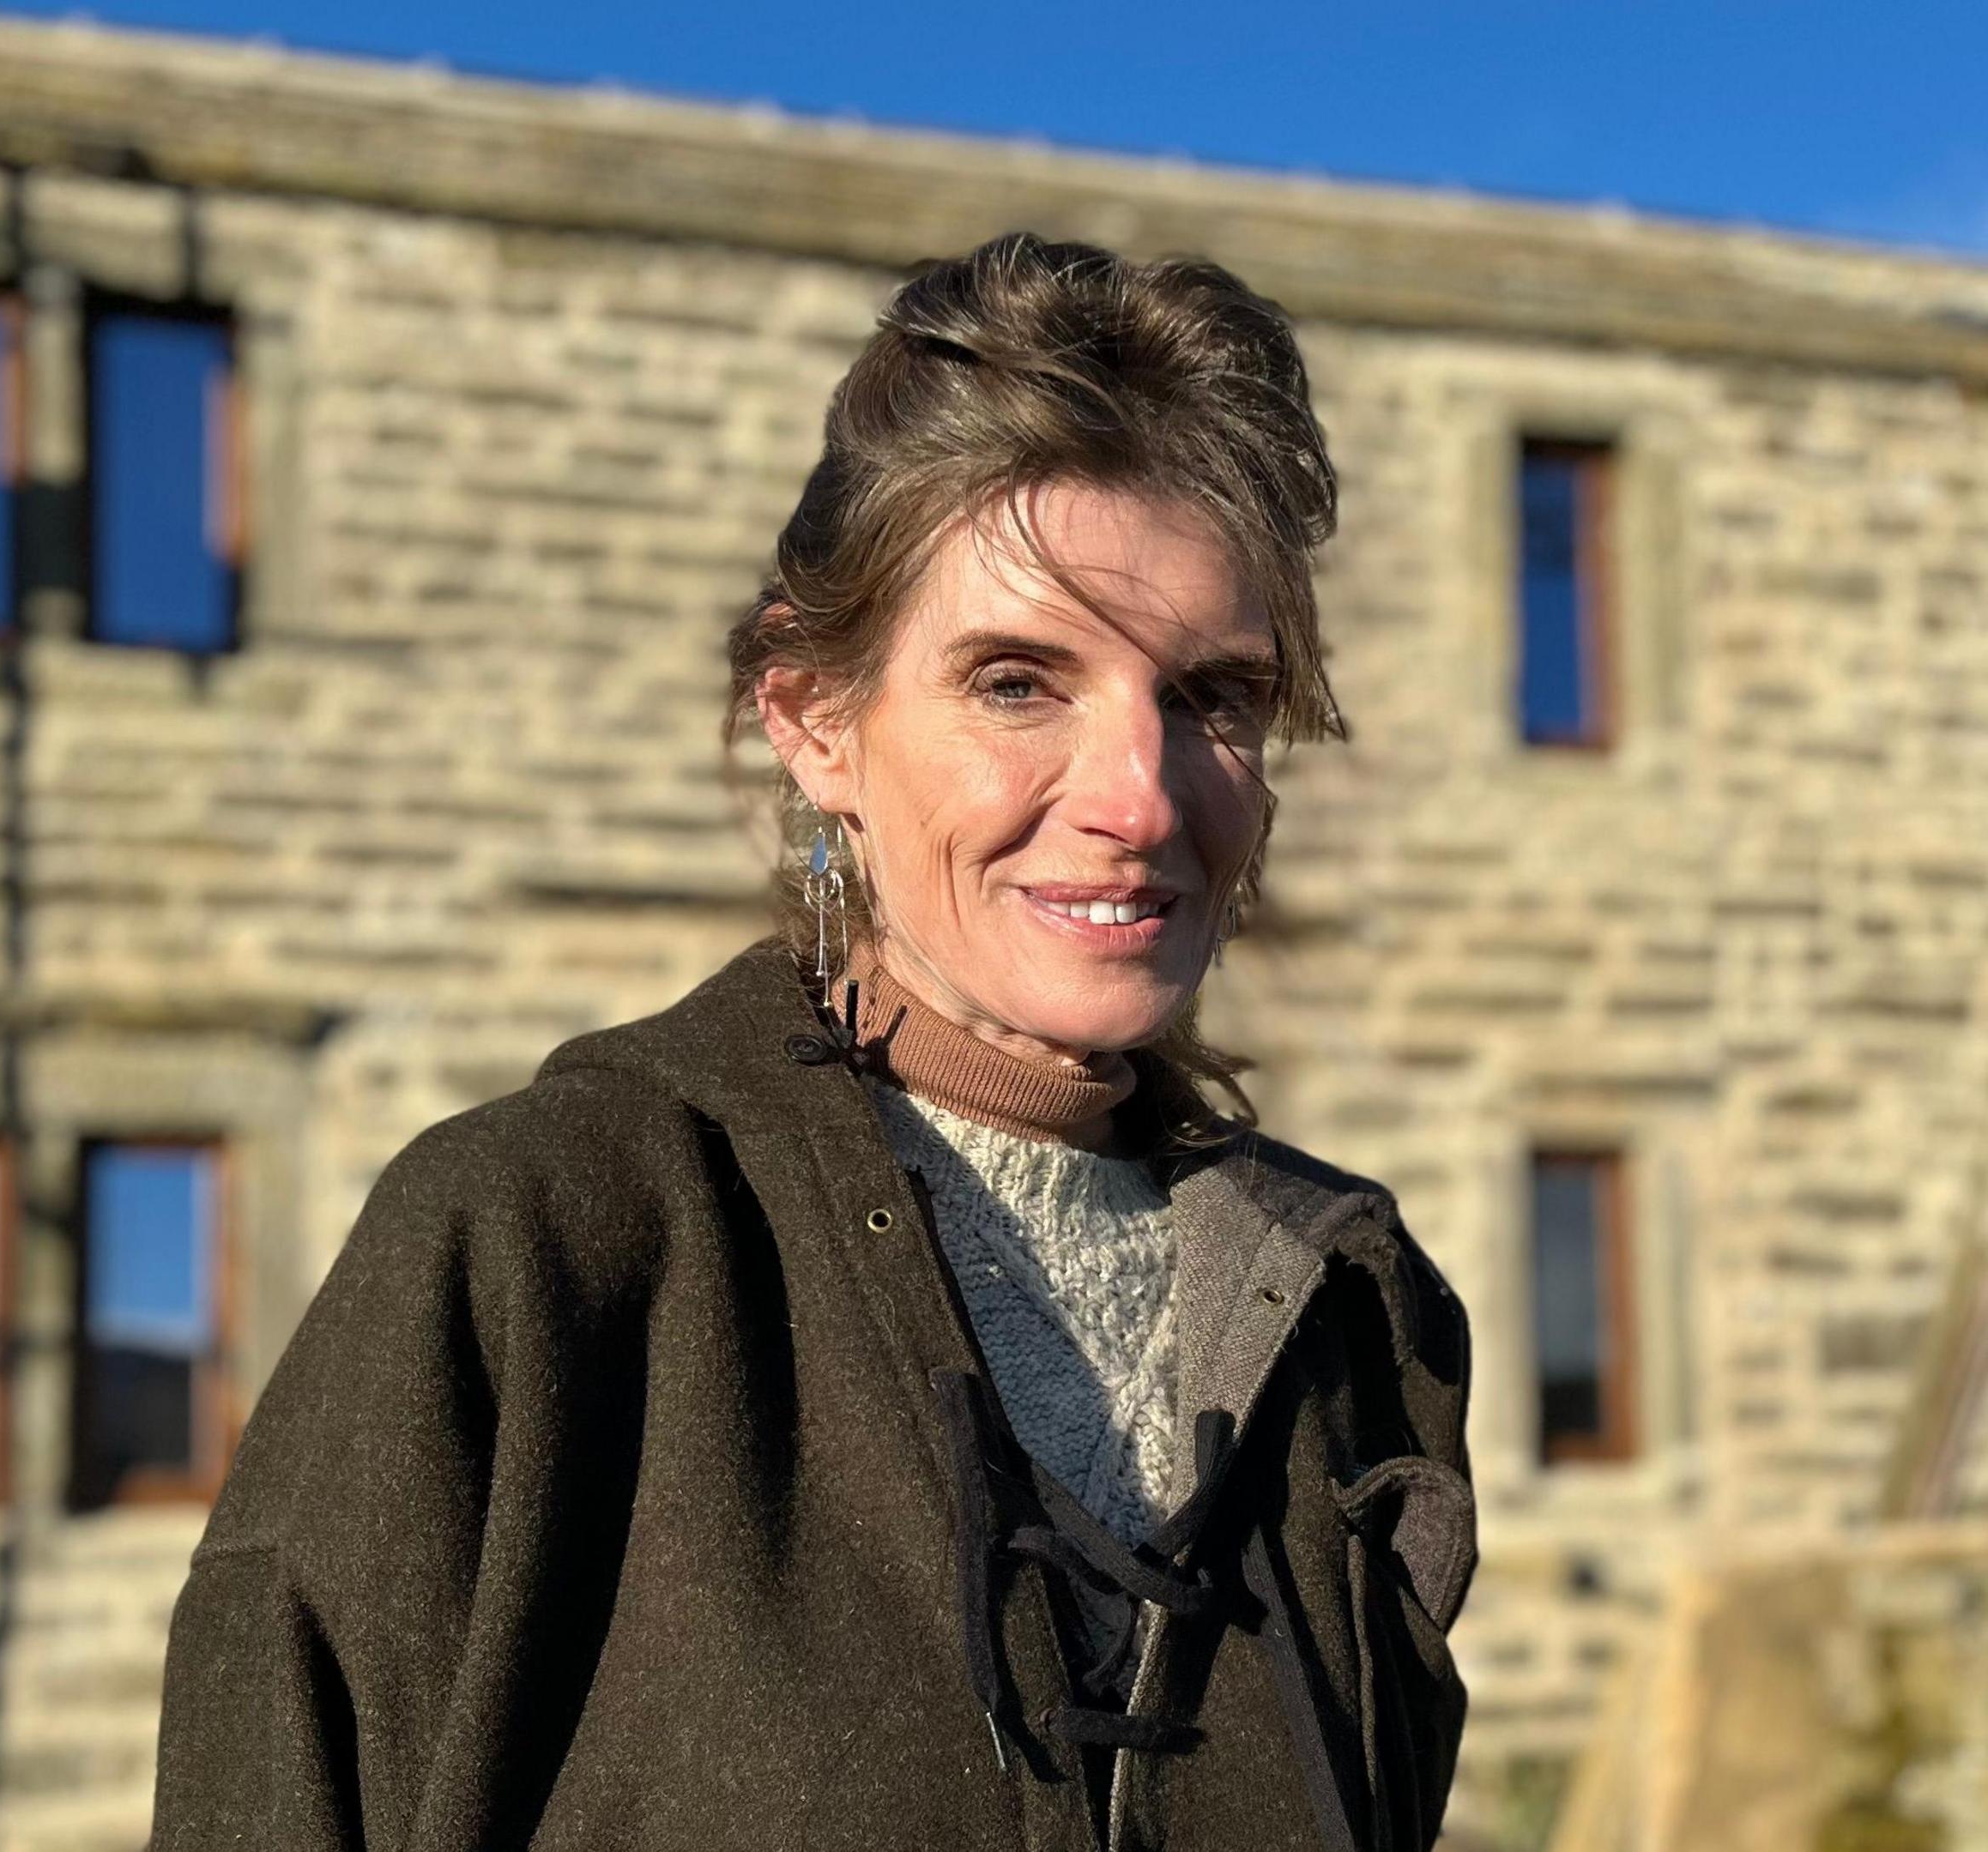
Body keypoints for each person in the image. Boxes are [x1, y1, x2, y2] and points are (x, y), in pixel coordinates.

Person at [149, 233, 1475, 1852]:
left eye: (1212, 697)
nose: (1141, 801)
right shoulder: (537, 1247)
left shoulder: (1349, 1311)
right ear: (816, 719)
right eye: (1015, 681)